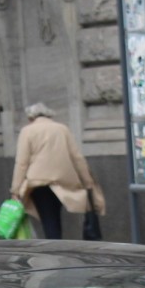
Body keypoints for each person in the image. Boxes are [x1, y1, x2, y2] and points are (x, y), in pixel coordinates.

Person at [10, 102, 104, 240]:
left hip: (38, 183)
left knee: (48, 218)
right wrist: (88, 182)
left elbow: (21, 163)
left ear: (31, 117)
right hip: (62, 181)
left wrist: (15, 189)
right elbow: (77, 158)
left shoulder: (27, 131)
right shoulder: (62, 129)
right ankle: (56, 243)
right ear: (49, 115)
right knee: (55, 215)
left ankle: (54, 247)